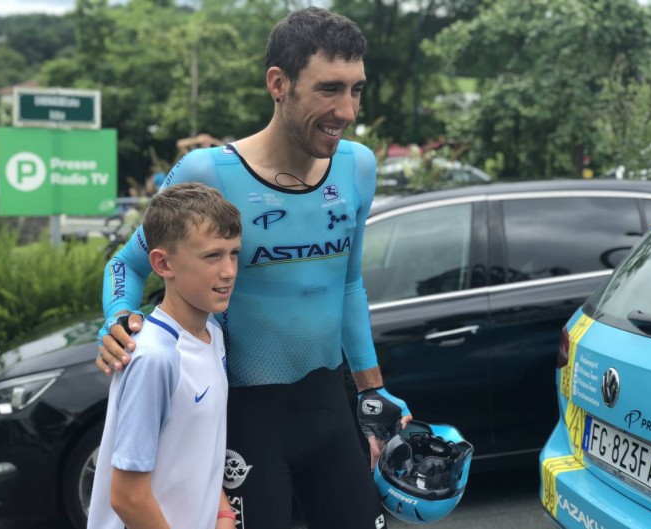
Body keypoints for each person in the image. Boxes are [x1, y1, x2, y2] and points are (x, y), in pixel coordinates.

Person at [97, 7, 412, 529]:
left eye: (356, 89)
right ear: (278, 84)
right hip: (247, 420)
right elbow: (126, 263)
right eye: (329, 89)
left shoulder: (358, 166)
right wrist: (118, 319)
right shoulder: (208, 172)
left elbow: (348, 284)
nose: (347, 110)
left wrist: (372, 388)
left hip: (329, 406)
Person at [88, 183, 243, 529]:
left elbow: (197, 450)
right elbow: (128, 498)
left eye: (233, 253)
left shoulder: (213, 335)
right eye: (212, 256)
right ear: (162, 263)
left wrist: (222, 513)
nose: (229, 270)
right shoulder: (154, 358)